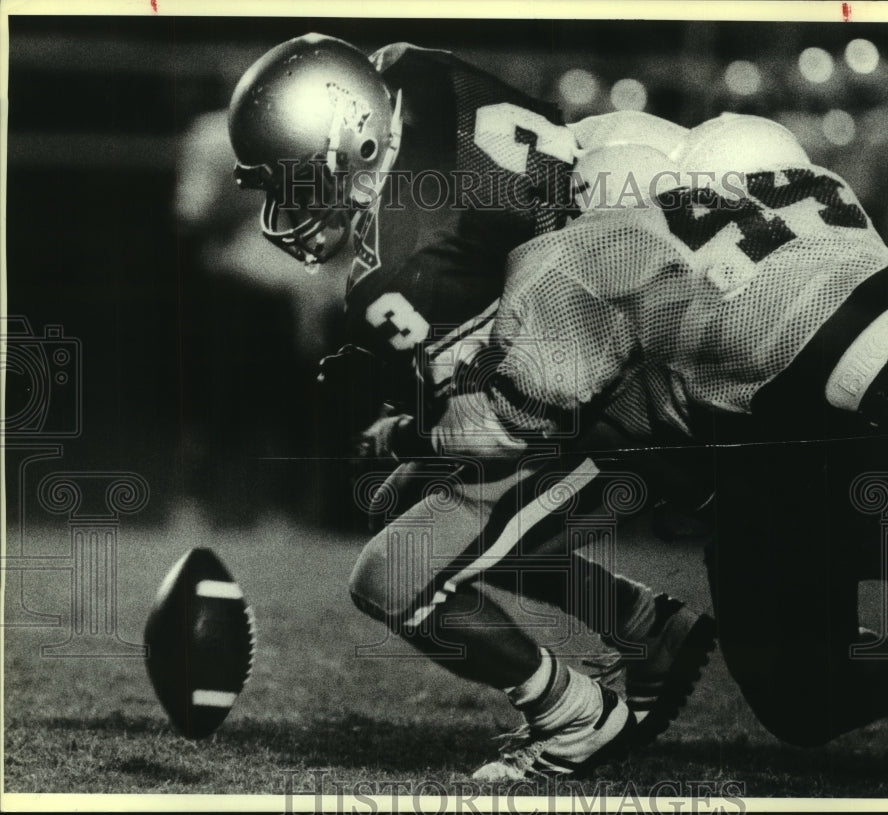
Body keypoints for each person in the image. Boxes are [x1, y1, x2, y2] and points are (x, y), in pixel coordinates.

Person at [402, 109, 888, 766]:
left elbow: (495, 432)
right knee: (797, 691)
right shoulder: (781, 181)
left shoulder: (603, 246)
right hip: (838, 416)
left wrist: (428, 408)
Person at [228, 33, 716, 780]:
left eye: (297, 178)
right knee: (407, 497)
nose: (289, 204)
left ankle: (573, 714)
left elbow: (492, 426)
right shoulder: (409, 69)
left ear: (354, 142)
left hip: (632, 385)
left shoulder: (398, 268)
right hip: (648, 288)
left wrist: (408, 429)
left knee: (391, 574)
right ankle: (647, 626)